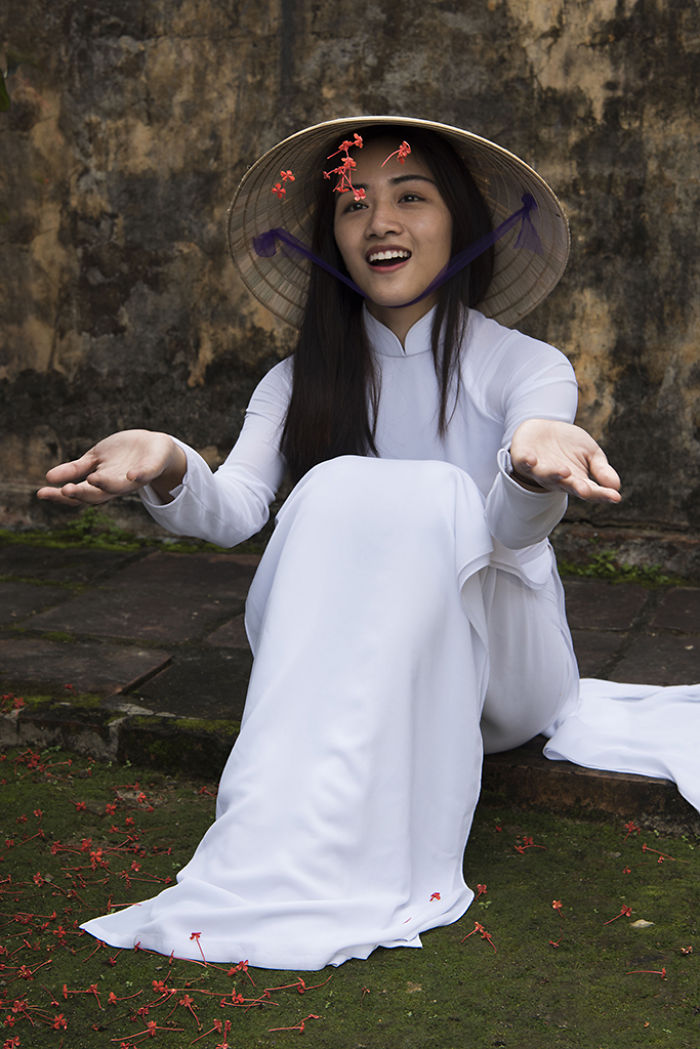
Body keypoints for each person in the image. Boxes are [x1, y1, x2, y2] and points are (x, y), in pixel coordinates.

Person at [37, 117, 697, 971]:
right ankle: (294, 843)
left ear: (459, 220)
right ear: (333, 241)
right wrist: (169, 463)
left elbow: (503, 533)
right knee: (336, 485)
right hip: (361, 674)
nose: (380, 222)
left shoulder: (526, 366)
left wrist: (533, 469)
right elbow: (236, 508)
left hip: (507, 672)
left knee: (431, 491)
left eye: (410, 198)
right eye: (354, 205)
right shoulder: (295, 379)